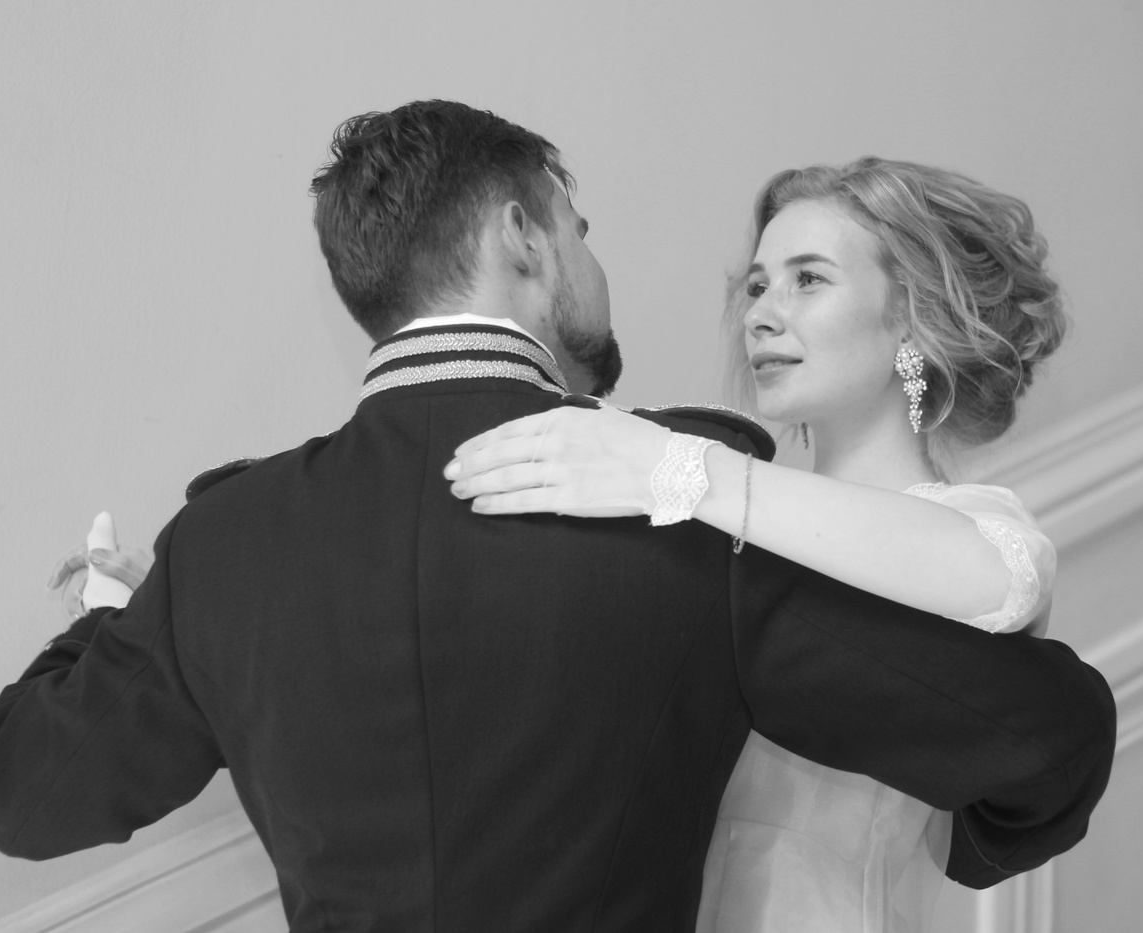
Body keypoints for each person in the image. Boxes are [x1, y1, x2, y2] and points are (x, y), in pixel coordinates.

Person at [0, 103, 1114, 932]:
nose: (757, 309)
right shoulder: (672, 520)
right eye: (579, 231)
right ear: (522, 237)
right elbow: (1040, 736)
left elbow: (19, 797)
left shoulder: (226, 540)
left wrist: (118, 617)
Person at [443, 157, 1065, 931]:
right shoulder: (724, 530)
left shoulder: (974, 527)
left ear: (912, 313)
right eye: (759, 286)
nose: (762, 315)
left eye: (809, 279)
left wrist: (673, 466)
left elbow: (1004, 579)